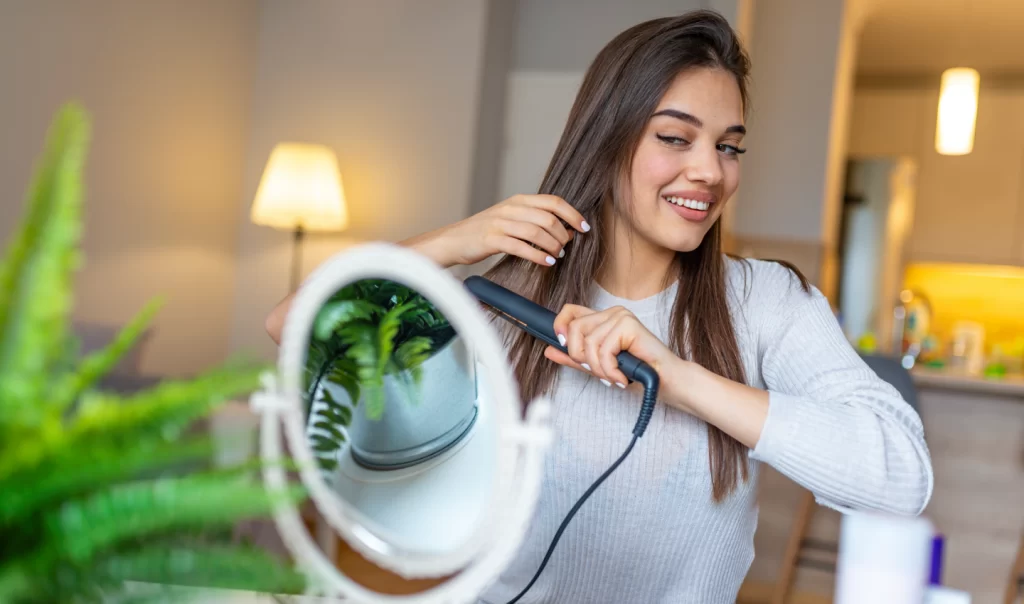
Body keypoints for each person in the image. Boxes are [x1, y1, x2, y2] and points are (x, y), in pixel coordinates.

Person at [265, 10, 932, 603]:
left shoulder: (765, 303)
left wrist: (675, 377)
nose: (710, 170)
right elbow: (294, 325)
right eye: (675, 137)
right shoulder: (506, 305)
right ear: (607, 137)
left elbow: (900, 477)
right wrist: (451, 242)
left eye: (729, 146)